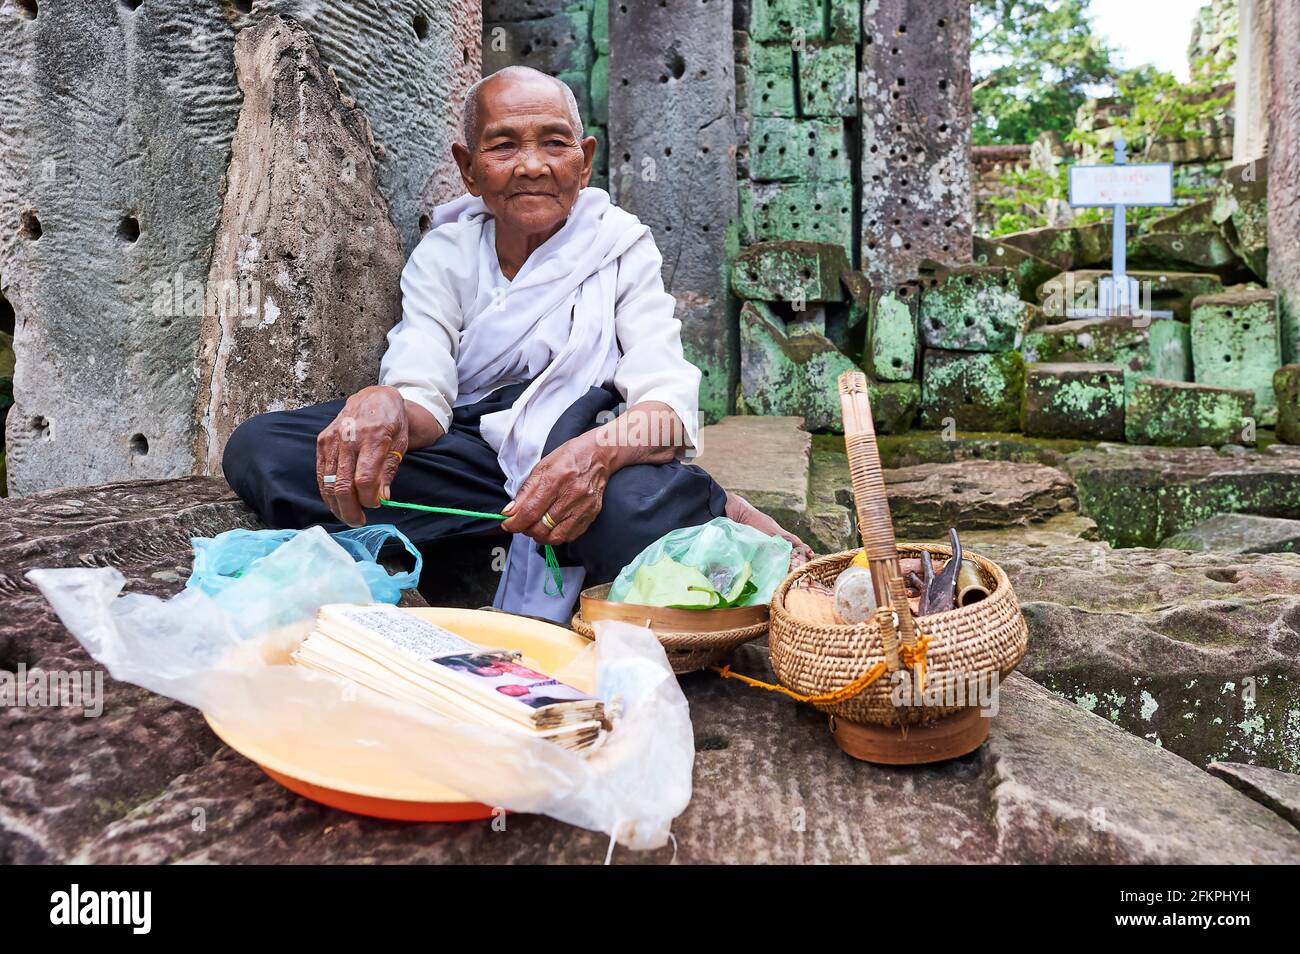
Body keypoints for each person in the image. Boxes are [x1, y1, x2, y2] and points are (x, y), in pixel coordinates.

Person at [222, 65, 811, 623]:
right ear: (468, 167)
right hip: (476, 451)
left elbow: (667, 409)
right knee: (265, 450)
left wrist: (594, 458)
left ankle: (661, 505)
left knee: (626, 511)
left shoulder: (622, 246)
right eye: (504, 146)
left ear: (584, 163)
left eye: (554, 143)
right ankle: (563, 515)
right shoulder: (445, 254)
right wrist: (383, 404)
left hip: (588, 441)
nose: (531, 165)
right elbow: (425, 396)